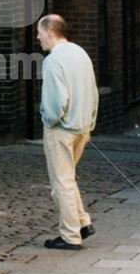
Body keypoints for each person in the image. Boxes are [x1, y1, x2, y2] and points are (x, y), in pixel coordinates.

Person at [36, 14, 99, 250]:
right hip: (82, 126)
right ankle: (82, 223)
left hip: (61, 129)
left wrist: (48, 119)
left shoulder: (53, 60)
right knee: (69, 179)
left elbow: (56, 101)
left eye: (40, 32)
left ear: (50, 32)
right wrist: (90, 123)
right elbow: (93, 91)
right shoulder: (80, 53)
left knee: (61, 182)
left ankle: (71, 235)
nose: (38, 37)